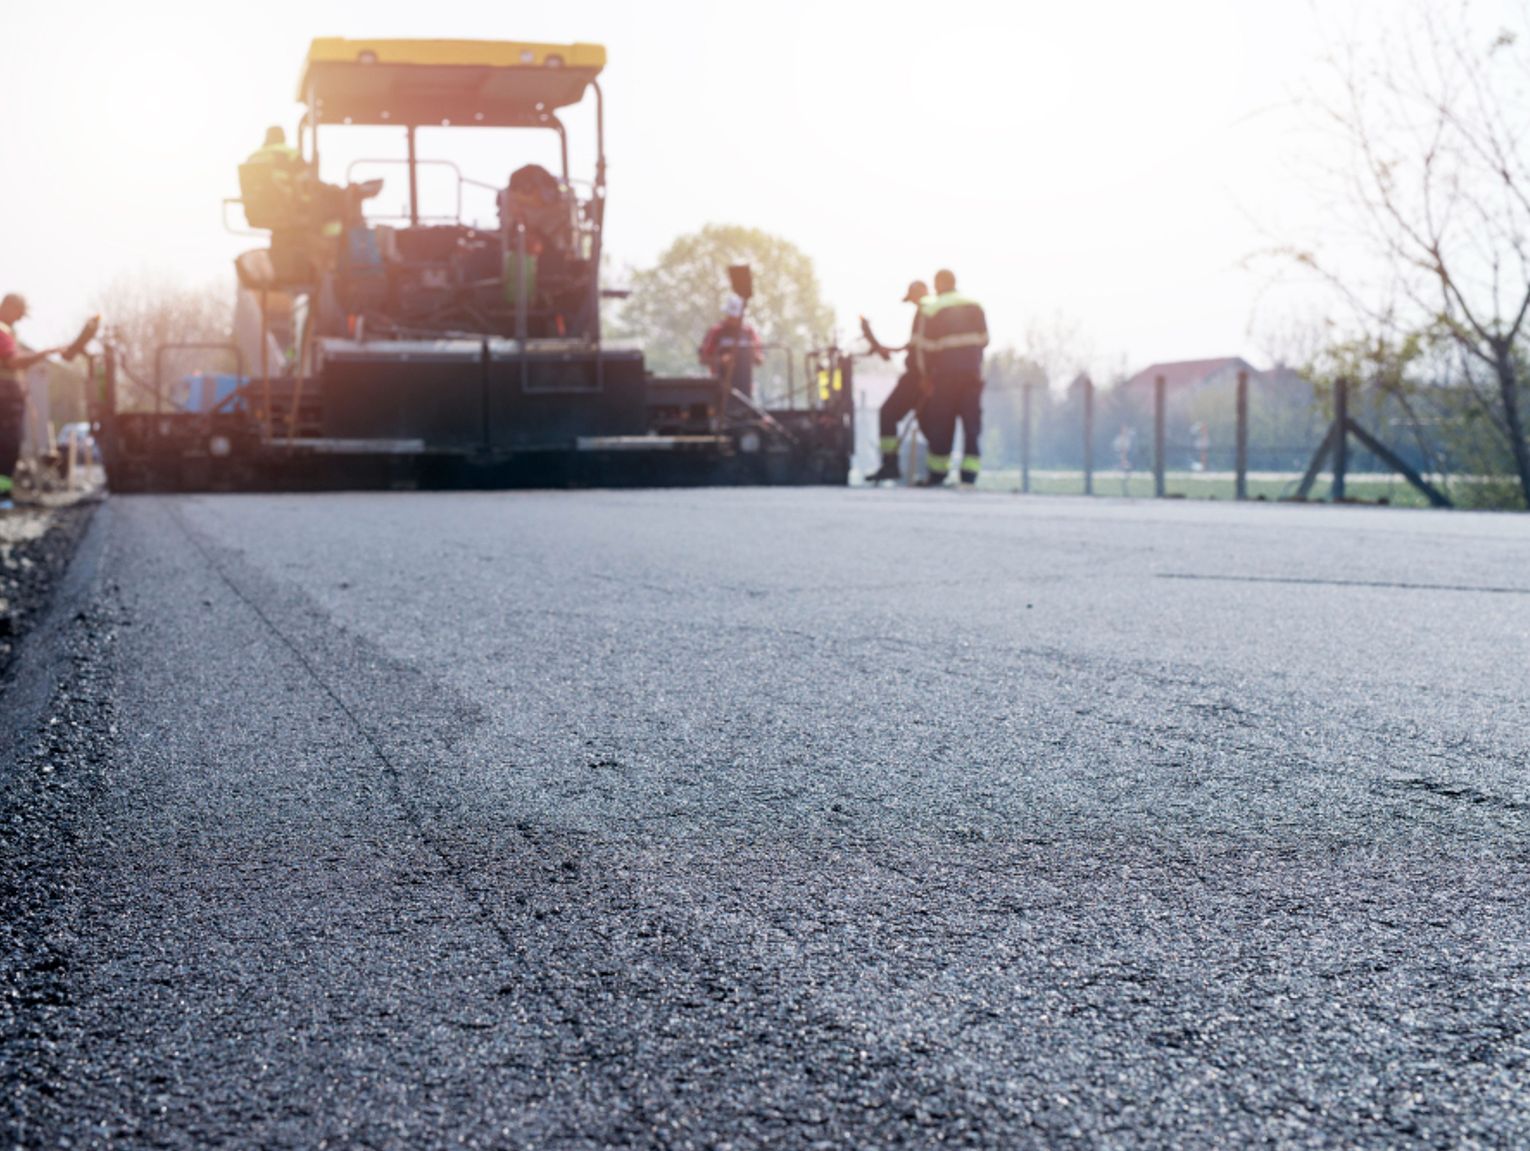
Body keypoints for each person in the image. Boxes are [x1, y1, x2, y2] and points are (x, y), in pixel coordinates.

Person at [914, 269, 988, 486]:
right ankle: (969, 475)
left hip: (945, 377)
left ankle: (938, 473)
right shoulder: (975, 305)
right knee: (971, 425)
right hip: (972, 375)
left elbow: (924, 348)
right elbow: (984, 340)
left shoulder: (932, 309)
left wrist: (926, 376)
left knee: (942, 424)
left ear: (938, 284)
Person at [0, 294, 67, 511]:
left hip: (9, 395)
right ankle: (2, 497)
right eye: (18, 314)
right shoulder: (2, 331)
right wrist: (44, 353)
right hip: (5, 398)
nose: (18, 320)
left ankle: (4, 495)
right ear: (9, 306)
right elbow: (13, 362)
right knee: (7, 445)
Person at [865, 280, 929, 484]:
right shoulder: (925, 314)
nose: (912, 303)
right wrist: (890, 349)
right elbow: (913, 346)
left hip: (918, 377)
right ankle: (892, 464)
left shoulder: (926, 313)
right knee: (927, 421)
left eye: (913, 298)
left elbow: (922, 349)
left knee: (889, 413)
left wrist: (925, 376)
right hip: (922, 375)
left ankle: (891, 464)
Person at [699, 293, 764, 400]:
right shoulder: (716, 331)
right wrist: (721, 360)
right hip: (720, 387)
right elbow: (703, 358)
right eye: (731, 316)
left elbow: (759, 358)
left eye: (736, 316)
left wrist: (753, 356)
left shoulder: (749, 331)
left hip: (745, 388)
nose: (734, 319)